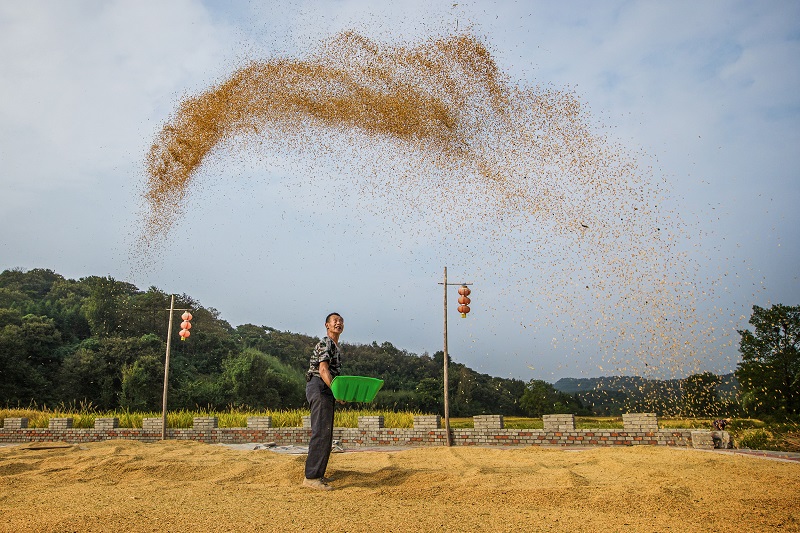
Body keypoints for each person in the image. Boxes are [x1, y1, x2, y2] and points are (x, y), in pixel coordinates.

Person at [302, 312, 344, 490]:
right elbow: (323, 370)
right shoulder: (325, 342)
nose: (338, 323)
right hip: (319, 386)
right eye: (335, 320)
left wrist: (340, 393)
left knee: (325, 432)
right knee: (321, 431)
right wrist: (336, 391)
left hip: (325, 388)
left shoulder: (336, 346)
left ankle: (317, 474)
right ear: (327, 325)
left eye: (341, 321)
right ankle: (311, 478)